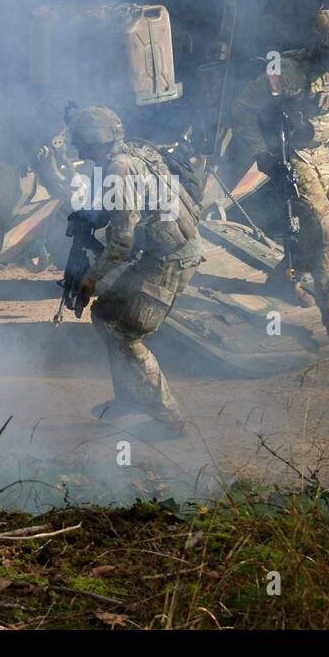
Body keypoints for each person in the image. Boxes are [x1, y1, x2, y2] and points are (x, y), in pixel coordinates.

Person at [67, 106, 204, 433]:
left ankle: (170, 418)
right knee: (104, 315)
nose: (80, 151)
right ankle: (129, 399)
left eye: (82, 144)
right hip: (163, 252)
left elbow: (121, 245)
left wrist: (90, 278)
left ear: (93, 141)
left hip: (171, 260)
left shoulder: (118, 168)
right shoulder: (137, 152)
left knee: (126, 334)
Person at [251, 8, 329, 339]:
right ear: (317, 44)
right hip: (296, 155)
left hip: (326, 154)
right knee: (325, 231)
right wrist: (260, 153)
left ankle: (282, 279)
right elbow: (242, 108)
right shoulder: (288, 71)